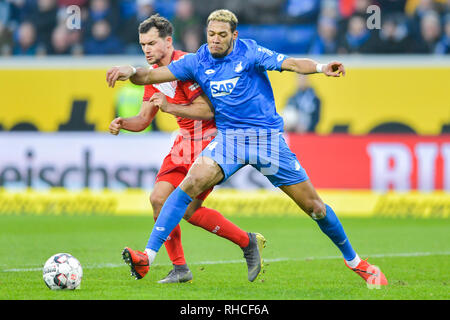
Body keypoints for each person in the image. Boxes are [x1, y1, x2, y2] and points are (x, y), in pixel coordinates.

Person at [106, 9, 388, 286]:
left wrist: (320, 67)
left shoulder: (250, 52)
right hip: (229, 141)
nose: (215, 39)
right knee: (188, 185)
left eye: (221, 35)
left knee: (315, 207)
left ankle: (357, 263)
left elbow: (290, 63)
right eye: (211, 34)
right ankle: (148, 257)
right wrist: (128, 70)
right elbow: (148, 77)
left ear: (234, 36)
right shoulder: (198, 60)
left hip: (267, 142)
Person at [108, 14, 266, 283]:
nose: (146, 49)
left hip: (210, 141)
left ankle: (246, 241)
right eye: (142, 44)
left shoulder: (187, 65)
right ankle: (180, 268)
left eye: (151, 43)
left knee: (189, 210)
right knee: (159, 199)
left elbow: (207, 109)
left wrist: (170, 107)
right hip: (183, 141)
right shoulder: (155, 75)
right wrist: (124, 123)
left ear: (168, 42)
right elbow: (145, 119)